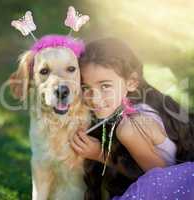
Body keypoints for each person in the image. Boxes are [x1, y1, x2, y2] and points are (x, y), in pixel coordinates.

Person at [70, 38, 194, 199]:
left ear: (132, 82)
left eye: (105, 86)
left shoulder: (129, 128)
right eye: (86, 87)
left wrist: (100, 154)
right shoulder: (145, 103)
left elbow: (162, 181)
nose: (94, 98)